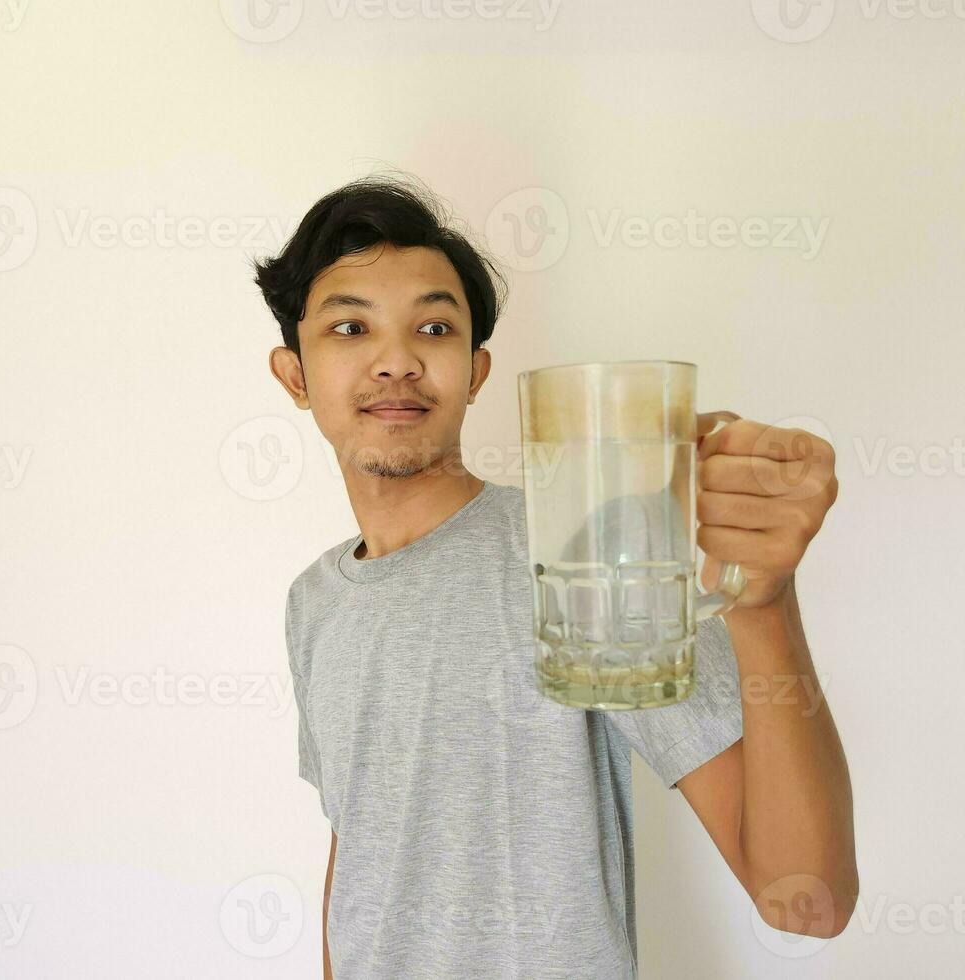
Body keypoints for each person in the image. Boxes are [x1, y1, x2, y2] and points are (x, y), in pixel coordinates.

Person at [254, 173, 857, 979]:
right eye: (350, 328)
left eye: (432, 327)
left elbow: (807, 900)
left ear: (474, 371)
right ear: (295, 375)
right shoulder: (313, 602)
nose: (395, 362)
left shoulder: (576, 544)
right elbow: (362, 855)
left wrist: (765, 605)